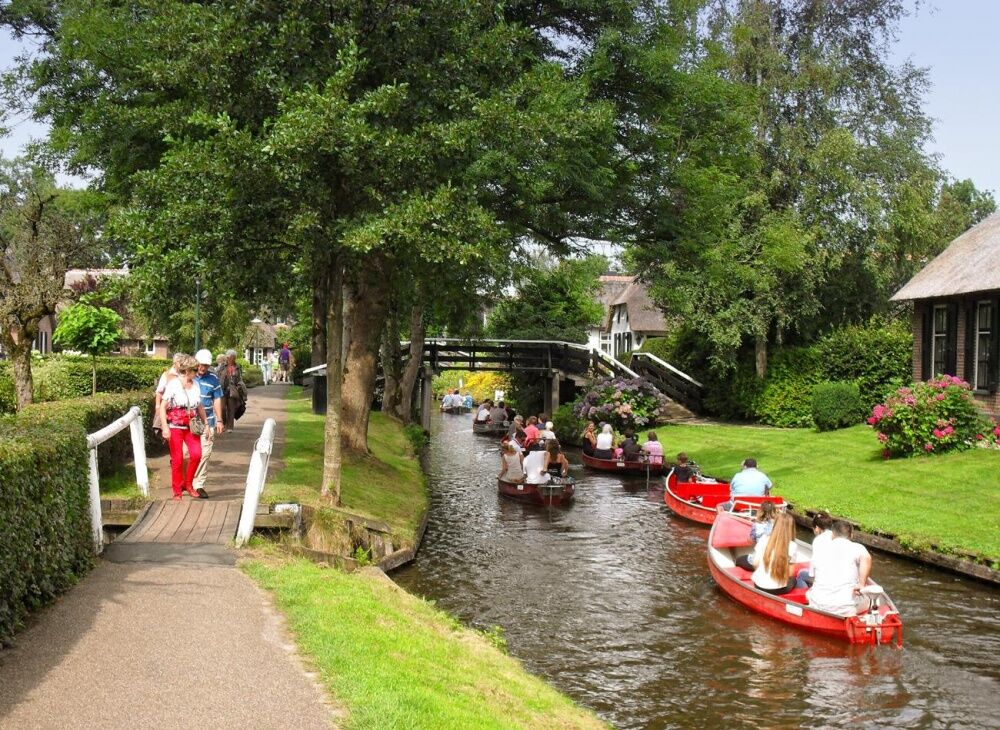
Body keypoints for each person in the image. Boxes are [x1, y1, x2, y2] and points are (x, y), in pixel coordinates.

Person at [158, 354, 208, 500]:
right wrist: (165, 428)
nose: (197, 373)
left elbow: (199, 406)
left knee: (197, 454)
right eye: (194, 370)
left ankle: (188, 484)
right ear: (187, 371)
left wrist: (206, 424)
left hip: (191, 425)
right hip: (175, 426)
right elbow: (163, 407)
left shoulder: (196, 384)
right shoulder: (173, 384)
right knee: (178, 459)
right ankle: (177, 491)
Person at [807, 520, 873, 616]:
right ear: (851, 535)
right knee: (874, 599)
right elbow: (867, 558)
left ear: (833, 534)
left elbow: (813, 574)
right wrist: (861, 583)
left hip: (818, 605)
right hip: (845, 609)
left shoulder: (821, 548)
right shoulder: (857, 548)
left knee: (810, 593)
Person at [192, 349, 225, 499]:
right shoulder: (188, 376)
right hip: (190, 421)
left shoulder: (213, 379)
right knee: (189, 453)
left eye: (205, 365)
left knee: (205, 453)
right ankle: (186, 481)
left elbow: (217, 399)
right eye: (200, 365)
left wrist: (219, 420)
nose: (202, 368)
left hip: (208, 421)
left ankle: (198, 484)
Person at [749, 513, 798, 595]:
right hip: (777, 589)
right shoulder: (793, 546)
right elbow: (790, 573)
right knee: (794, 580)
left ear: (775, 525)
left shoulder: (763, 539)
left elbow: (755, 563)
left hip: (758, 585)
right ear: (792, 528)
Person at [735, 500, 778, 570]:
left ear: (761, 511)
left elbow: (751, 541)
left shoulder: (757, 525)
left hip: (758, 562)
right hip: (774, 562)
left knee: (738, 560)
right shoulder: (778, 524)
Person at [797, 511, 834, 587]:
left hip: (824, 577)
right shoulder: (836, 536)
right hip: (836, 574)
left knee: (801, 574)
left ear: (816, 528)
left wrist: (811, 574)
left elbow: (814, 562)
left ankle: (805, 595)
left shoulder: (818, 540)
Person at [153, 353, 185, 436]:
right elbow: (159, 391)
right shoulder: (167, 375)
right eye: (180, 362)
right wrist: (157, 406)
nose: (182, 365)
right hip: (168, 409)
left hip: (181, 411)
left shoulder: (185, 375)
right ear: (175, 363)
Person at [218, 349, 247, 432]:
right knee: (222, 408)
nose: (232, 359)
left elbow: (240, 378)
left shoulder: (237, 367)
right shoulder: (222, 366)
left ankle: (230, 427)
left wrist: (239, 386)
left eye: (233, 357)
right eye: (230, 357)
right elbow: (218, 376)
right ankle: (223, 423)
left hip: (233, 390)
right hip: (222, 389)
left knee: (231, 408)